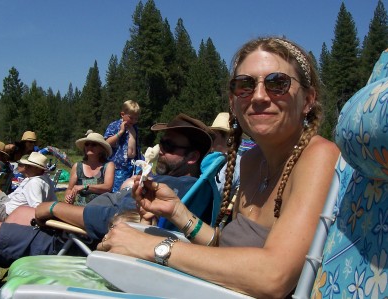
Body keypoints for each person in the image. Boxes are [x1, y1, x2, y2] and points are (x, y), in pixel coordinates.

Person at [99, 37, 340, 298]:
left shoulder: (319, 157)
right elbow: (227, 251)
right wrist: (178, 212)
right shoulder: (250, 162)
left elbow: (273, 276)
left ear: (308, 100)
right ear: (233, 102)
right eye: (245, 85)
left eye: (277, 83)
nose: (259, 96)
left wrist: (154, 246)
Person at [0, 113, 214, 293]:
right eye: (161, 143)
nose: (161, 150)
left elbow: (117, 221)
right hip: (75, 229)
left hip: (82, 240)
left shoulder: (179, 188)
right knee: (22, 211)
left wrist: (55, 208)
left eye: (169, 146)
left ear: (192, 157)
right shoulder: (176, 182)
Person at [65, 130, 115, 206]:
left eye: (93, 144)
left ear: (101, 149)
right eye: (87, 144)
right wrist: (68, 196)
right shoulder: (77, 166)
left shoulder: (108, 165)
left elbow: (108, 187)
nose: (89, 147)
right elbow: (70, 189)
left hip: (101, 207)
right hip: (79, 208)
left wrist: (84, 187)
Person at [104, 100, 142, 192]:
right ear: (122, 114)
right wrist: (120, 132)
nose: (134, 121)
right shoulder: (114, 126)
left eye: (136, 119)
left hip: (132, 165)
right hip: (118, 166)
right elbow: (107, 143)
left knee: (131, 189)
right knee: (117, 190)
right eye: (131, 118)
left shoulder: (135, 128)